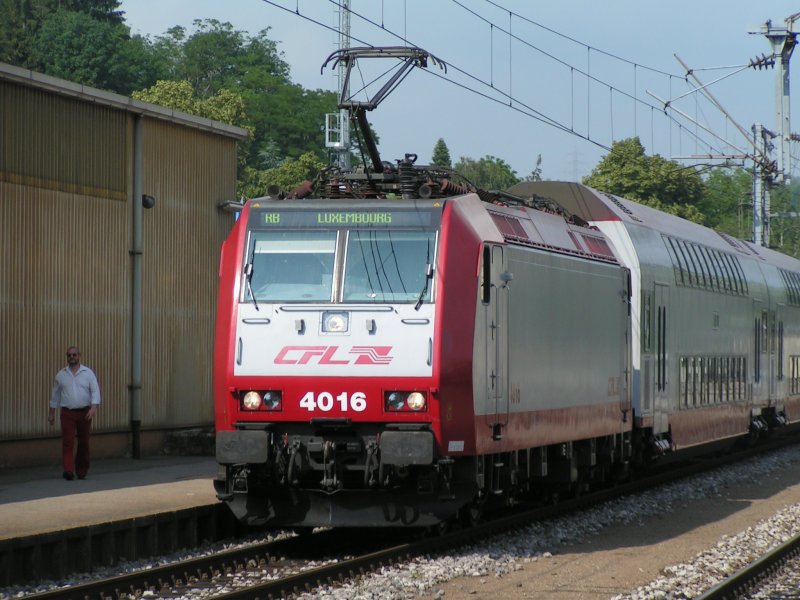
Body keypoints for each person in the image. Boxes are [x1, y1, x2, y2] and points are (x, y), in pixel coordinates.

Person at [48, 346, 101, 480]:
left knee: (84, 442)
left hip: (85, 412)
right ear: (67, 357)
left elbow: (95, 390)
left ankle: (82, 471)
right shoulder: (61, 375)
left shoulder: (88, 373)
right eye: (69, 355)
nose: (71, 357)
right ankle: (68, 470)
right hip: (67, 413)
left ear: (79, 356)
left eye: (74, 355)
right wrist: (51, 413)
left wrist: (94, 407)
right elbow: (55, 395)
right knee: (68, 441)